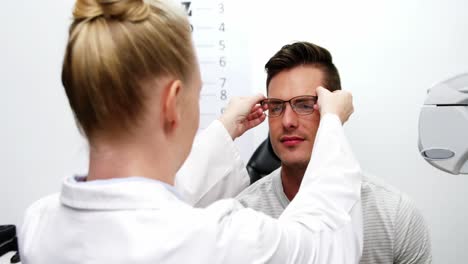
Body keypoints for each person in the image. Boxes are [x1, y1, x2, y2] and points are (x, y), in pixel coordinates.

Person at [18, 1, 363, 263]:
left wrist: (225, 129)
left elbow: (142, 201)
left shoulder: (39, 225)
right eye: (197, 94)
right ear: (172, 103)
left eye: (305, 104)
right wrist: (331, 122)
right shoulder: (222, 239)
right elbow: (323, 241)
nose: (287, 120)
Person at [236, 41, 432, 264]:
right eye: (276, 107)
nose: (288, 121)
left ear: (335, 110)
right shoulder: (244, 214)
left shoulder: (395, 215)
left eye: (305, 104)